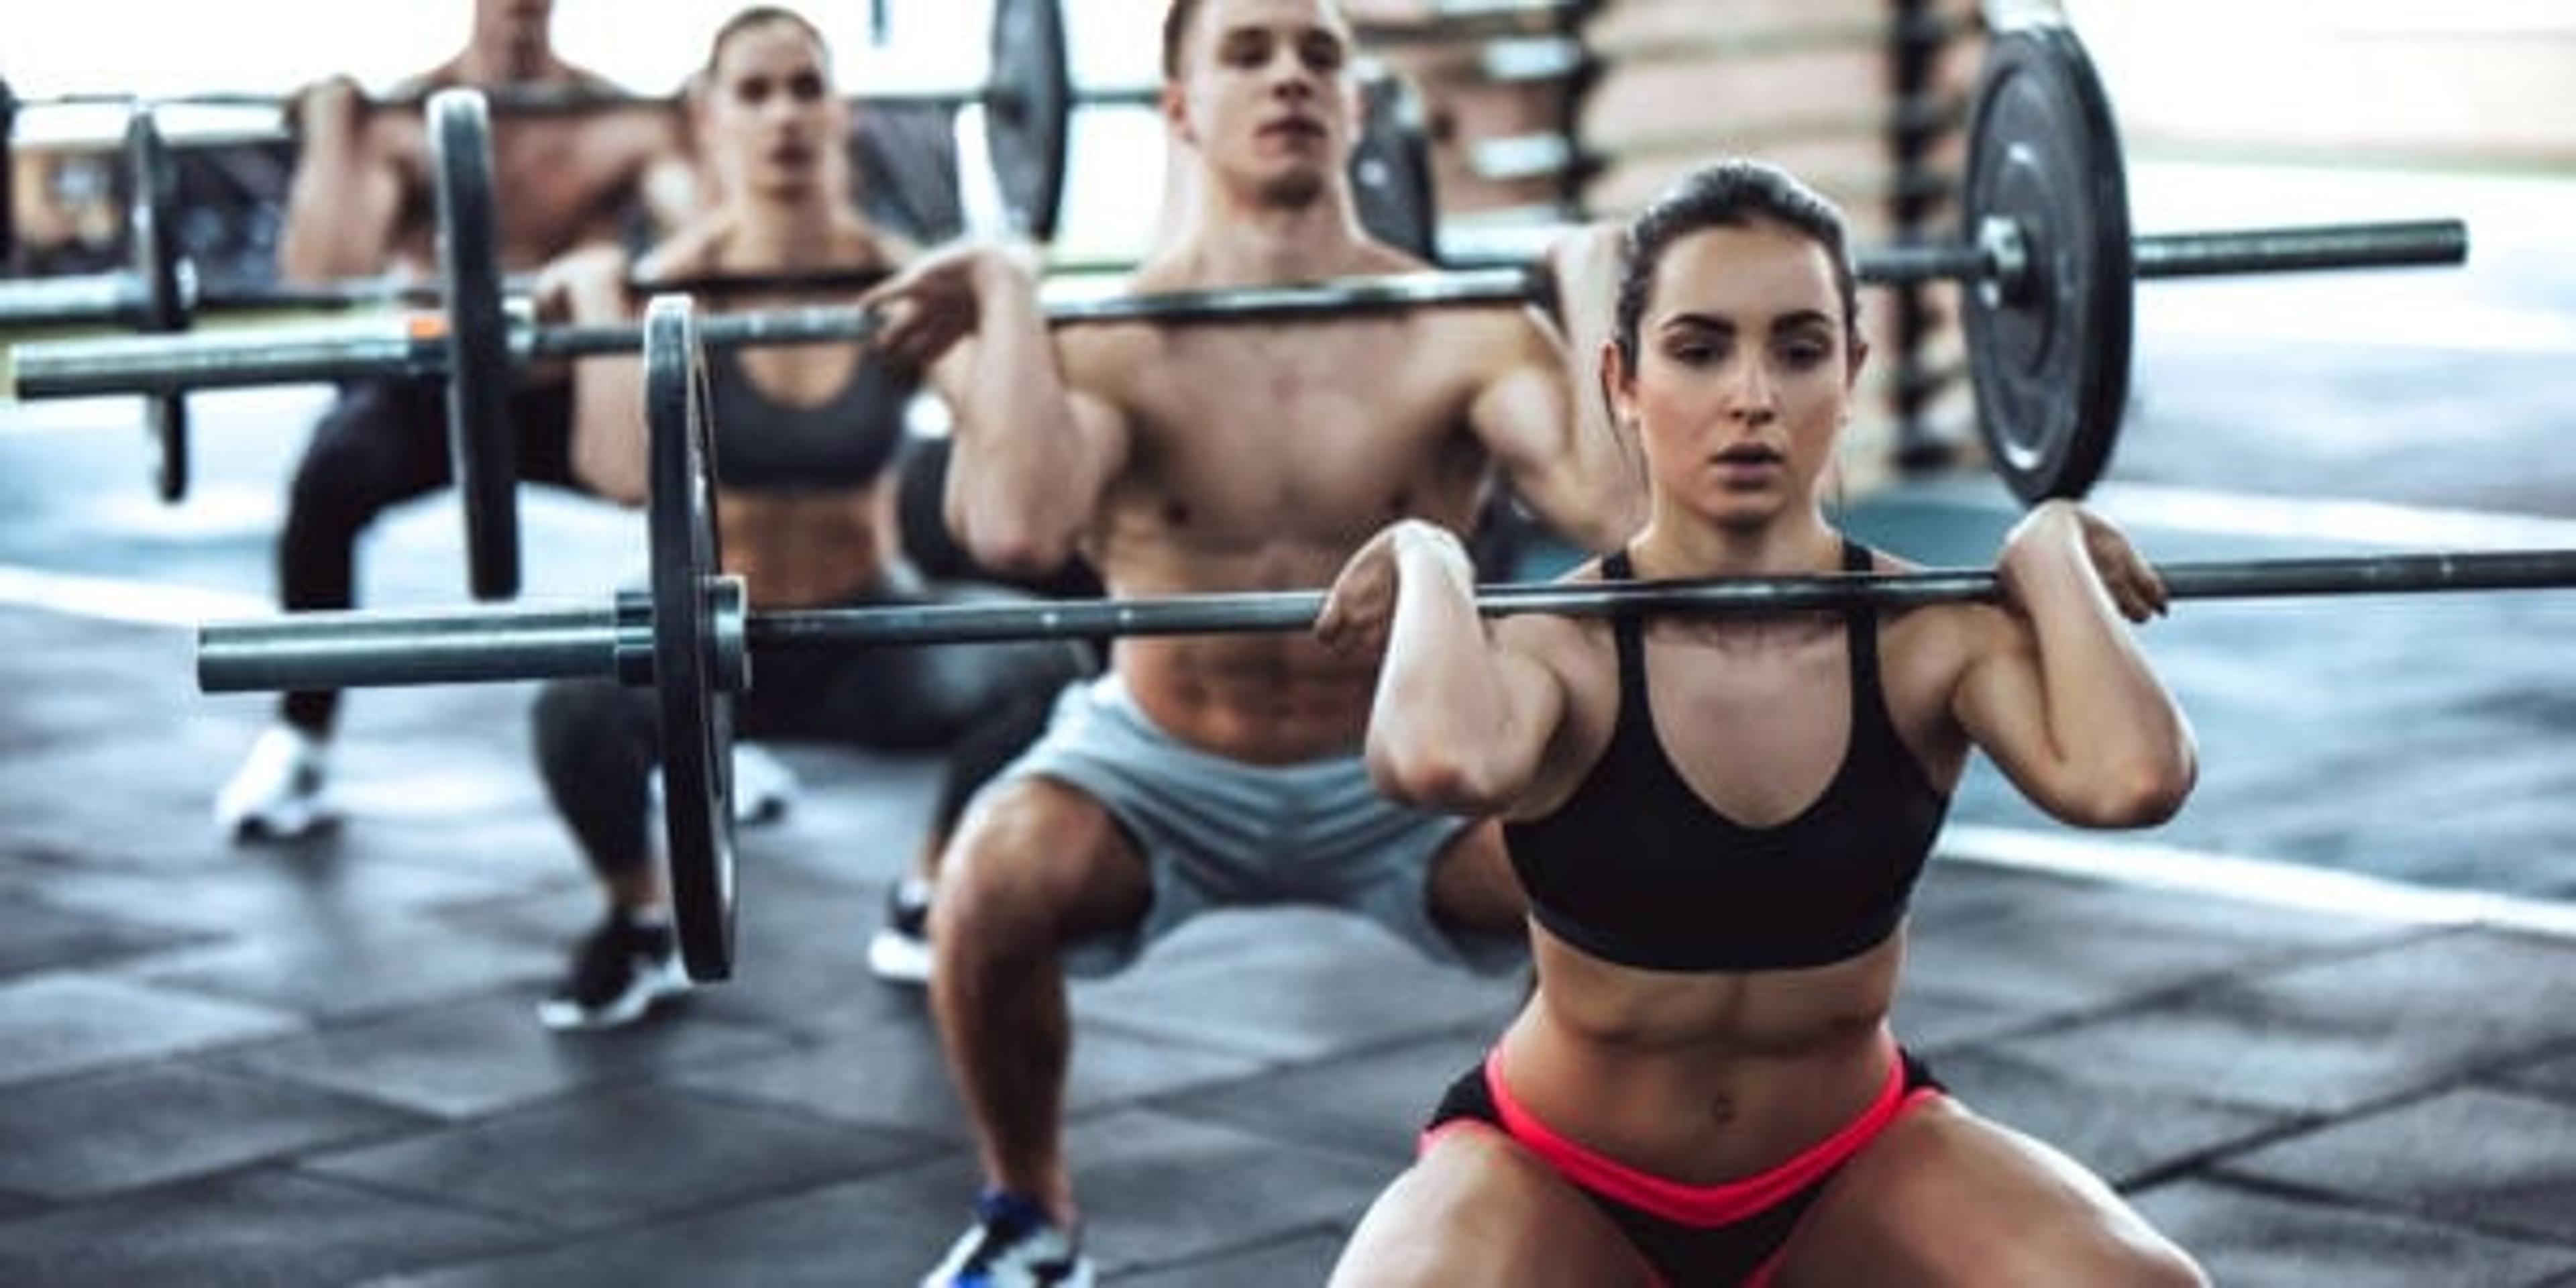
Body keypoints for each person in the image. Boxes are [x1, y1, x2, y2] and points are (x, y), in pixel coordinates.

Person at [859, 0, 1646, 1281]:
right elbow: (1015, 527)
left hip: (1404, 769)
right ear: (1179, 106)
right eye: (1248, 52)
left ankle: (1557, 1184)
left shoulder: (1456, 326)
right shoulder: (1114, 337)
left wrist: (1599, 284)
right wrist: (1006, 288)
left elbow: (1620, 515)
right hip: (1157, 763)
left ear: (1357, 104)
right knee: (990, 886)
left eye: (1319, 54)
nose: (1289, 75)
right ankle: (1029, 1213)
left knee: (1622, 880)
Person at [1313, 160, 2206, 1287]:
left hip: (1850, 1164)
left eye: (1798, 348)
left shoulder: (1930, 636)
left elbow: (2134, 779)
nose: (1753, 395)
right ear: (1622, 380)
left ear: (1854, 372)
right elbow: (1434, 759)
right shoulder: (1561, 647)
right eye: (1699, 349)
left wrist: (2051, 547)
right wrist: (1430, 552)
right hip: (1558, 1176)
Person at [521, 7, 1091, 1032]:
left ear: (844, 112)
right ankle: (637, 917)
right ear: (709, 118)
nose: (784, 115)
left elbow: (1016, 471)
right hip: (707, 646)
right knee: (572, 707)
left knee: (1039, 665)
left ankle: (929, 893)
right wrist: (612, 316)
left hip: (859, 629)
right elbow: (616, 474)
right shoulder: (666, 292)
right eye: (755, 91)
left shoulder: (902, 282)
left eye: (806, 88)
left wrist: (1003, 302)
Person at [215, 0, 698, 839]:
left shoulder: (619, 120)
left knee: (703, 482)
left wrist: (717, 128)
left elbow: (714, 242)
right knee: (326, 483)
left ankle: (718, 722)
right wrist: (334, 133)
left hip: (564, 389)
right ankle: (301, 737)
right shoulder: (404, 119)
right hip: (431, 392)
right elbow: (323, 272)